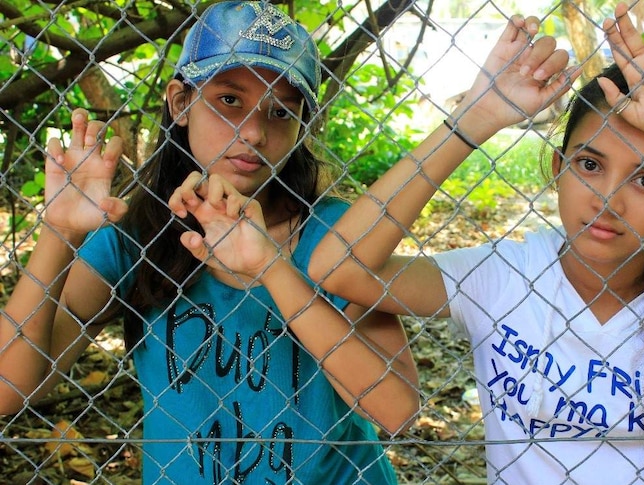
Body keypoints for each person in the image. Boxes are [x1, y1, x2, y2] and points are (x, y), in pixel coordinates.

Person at [308, 3, 644, 484]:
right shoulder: (504, 276)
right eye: (590, 165)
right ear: (558, 168)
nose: (608, 200)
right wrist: (474, 120)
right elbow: (338, 268)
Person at [0, 2, 419, 484]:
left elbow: (397, 411)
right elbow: (9, 389)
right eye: (230, 100)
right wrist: (60, 232)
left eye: (281, 111)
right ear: (181, 102)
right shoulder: (135, 238)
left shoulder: (337, 234)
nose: (256, 132)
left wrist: (272, 270)